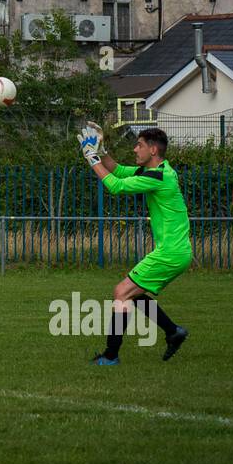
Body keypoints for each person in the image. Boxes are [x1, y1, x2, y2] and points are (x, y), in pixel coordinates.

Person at [79, 123, 191, 365]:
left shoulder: (159, 176)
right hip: (174, 252)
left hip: (171, 253)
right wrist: (101, 150)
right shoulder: (157, 171)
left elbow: (115, 186)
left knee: (122, 292)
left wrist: (91, 158)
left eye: (138, 145)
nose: (134, 149)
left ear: (152, 150)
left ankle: (110, 356)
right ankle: (173, 331)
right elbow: (118, 171)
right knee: (132, 293)